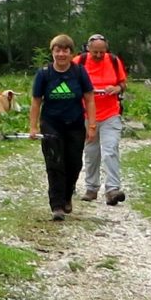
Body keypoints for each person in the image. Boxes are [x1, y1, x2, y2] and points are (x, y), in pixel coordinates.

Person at [29, 33, 96, 221]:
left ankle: (67, 196)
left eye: (65, 50)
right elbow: (36, 102)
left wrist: (92, 124)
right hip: (51, 124)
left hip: (75, 123)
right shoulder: (44, 74)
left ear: (71, 53)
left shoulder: (79, 72)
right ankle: (57, 205)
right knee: (54, 163)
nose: (61, 54)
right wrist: (33, 127)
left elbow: (89, 99)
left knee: (74, 163)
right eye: (57, 50)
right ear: (52, 53)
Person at [76, 33, 129, 204]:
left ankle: (112, 190)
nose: (99, 56)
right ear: (88, 49)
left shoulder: (114, 61)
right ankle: (91, 188)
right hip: (86, 115)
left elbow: (123, 84)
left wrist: (116, 88)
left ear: (106, 49)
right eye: (95, 53)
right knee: (91, 152)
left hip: (110, 113)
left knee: (110, 150)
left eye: (102, 52)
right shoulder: (79, 62)